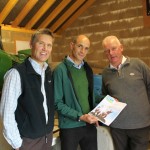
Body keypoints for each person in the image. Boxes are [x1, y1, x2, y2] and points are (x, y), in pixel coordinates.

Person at [0, 28, 55, 150]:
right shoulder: (16, 74)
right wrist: (19, 144)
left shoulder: (48, 72)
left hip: (47, 138)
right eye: (41, 43)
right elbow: (6, 113)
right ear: (31, 44)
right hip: (28, 142)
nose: (45, 49)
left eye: (49, 45)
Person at [101, 35, 150, 150]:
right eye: (107, 51)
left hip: (141, 125)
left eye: (114, 48)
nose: (111, 53)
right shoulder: (105, 73)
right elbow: (105, 95)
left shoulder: (138, 64)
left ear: (121, 48)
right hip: (118, 127)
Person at [53, 35, 99, 150]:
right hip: (70, 127)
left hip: (89, 125)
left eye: (86, 48)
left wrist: (109, 99)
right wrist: (80, 116)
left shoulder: (87, 69)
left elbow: (90, 95)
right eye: (80, 46)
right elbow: (57, 103)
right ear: (72, 45)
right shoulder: (60, 70)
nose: (82, 51)